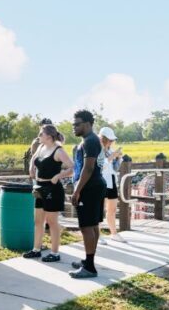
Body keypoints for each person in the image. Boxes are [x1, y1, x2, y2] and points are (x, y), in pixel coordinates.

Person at [23, 125, 73, 261]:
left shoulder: (59, 150)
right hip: (39, 187)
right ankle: (36, 250)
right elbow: (33, 158)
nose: (38, 136)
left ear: (49, 136)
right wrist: (31, 169)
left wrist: (58, 176)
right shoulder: (40, 147)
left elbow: (72, 167)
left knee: (52, 222)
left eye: (41, 134)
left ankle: (55, 253)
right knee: (38, 221)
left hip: (53, 188)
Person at [69, 110, 107, 278]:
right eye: (73, 124)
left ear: (88, 124)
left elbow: (88, 167)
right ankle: (88, 259)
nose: (74, 127)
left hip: (89, 188)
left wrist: (77, 191)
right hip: (96, 185)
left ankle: (90, 267)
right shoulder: (90, 140)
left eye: (77, 124)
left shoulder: (90, 141)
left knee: (86, 227)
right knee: (93, 225)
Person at [98, 127, 126, 244]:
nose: (111, 142)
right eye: (109, 140)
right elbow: (100, 166)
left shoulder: (110, 150)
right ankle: (97, 234)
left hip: (112, 181)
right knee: (100, 210)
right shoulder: (97, 150)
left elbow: (115, 168)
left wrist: (118, 158)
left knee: (112, 209)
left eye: (111, 140)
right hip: (101, 182)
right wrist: (112, 157)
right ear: (103, 139)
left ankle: (113, 233)